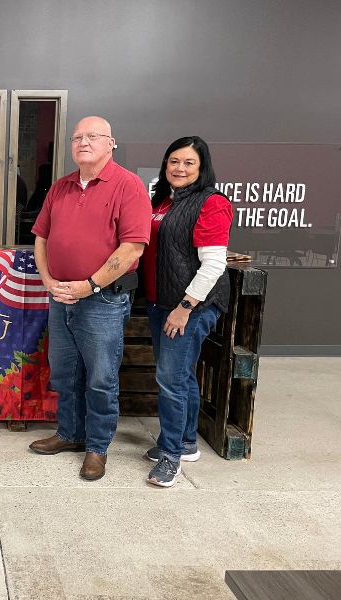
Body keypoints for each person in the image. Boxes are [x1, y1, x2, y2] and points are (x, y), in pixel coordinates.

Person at [29, 116, 151, 481]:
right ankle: (70, 434)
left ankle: (97, 447)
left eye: (93, 136)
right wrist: (49, 280)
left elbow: (132, 249)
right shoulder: (60, 188)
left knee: (100, 378)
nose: (83, 141)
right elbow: (41, 237)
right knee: (65, 373)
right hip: (60, 297)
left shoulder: (127, 186)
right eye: (77, 137)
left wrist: (90, 286)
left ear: (111, 143)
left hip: (102, 301)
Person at [140, 136, 232, 487]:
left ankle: (171, 455)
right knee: (180, 376)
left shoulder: (211, 203)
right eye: (173, 161)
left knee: (170, 379)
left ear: (202, 167)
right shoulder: (163, 200)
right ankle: (187, 441)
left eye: (188, 162)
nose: (179, 168)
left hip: (189, 306)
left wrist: (184, 308)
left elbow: (213, 266)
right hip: (160, 302)